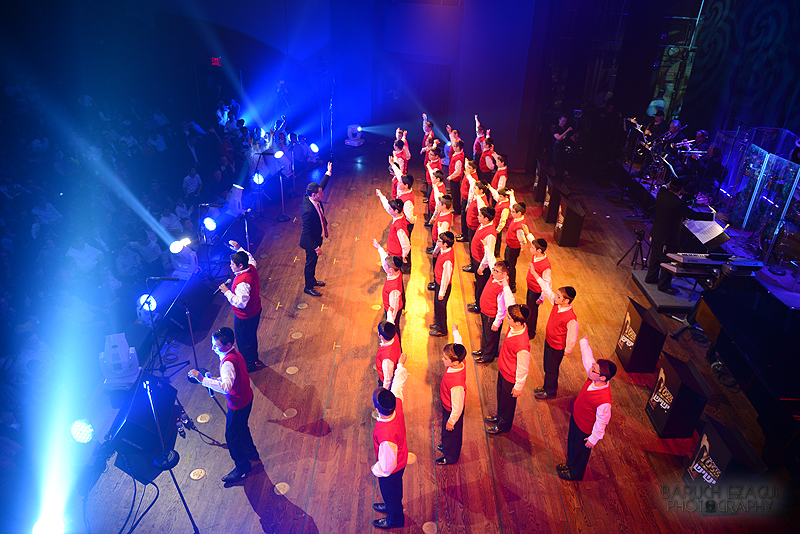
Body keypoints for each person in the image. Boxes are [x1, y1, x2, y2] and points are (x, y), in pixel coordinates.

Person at [188, 327, 259, 483]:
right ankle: (252, 453)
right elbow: (233, 378)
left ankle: (242, 466)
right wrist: (216, 379)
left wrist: (202, 379)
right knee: (242, 427)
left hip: (238, 404)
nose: (212, 348)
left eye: (216, 345)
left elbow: (226, 387)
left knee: (231, 437)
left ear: (227, 345)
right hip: (246, 397)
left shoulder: (227, 363)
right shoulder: (235, 354)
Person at [556, 337, 616, 481]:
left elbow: (602, 422)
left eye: (594, 369)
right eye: (593, 367)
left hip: (585, 429)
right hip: (576, 419)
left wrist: (593, 439)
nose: (590, 369)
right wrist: (584, 343)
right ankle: (569, 464)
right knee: (572, 444)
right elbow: (588, 358)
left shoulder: (605, 401)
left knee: (580, 452)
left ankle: (575, 473)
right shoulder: (593, 377)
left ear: (603, 378)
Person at [644, 177, 714, 294]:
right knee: (667, 261)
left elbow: (664, 186)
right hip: (667, 238)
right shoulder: (678, 204)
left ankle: (651, 277)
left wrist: (668, 184)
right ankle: (663, 286)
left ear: (670, 186)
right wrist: (714, 216)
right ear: (681, 189)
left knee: (655, 258)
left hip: (656, 233)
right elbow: (694, 215)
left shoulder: (661, 194)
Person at [372, 353, 409, 530]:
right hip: (401, 459)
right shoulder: (397, 404)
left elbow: (387, 466)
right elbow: (398, 385)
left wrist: (375, 469)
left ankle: (395, 519)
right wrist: (400, 366)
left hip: (392, 469)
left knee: (391, 492)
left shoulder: (386, 434)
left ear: (377, 409)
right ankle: (391, 506)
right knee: (394, 492)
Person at [485, 304, 531, 434]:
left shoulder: (522, 346)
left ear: (518, 322)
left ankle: (503, 426)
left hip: (510, 377)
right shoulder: (515, 327)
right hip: (503, 370)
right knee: (501, 397)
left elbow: (523, 367)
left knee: (507, 403)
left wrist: (518, 387)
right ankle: (499, 417)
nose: (506, 318)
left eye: (509, 318)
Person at [218, 242, 263, 372]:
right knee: (251, 336)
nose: (230, 266)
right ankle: (254, 359)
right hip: (255, 310)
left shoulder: (242, 283)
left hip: (245, 317)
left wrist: (226, 291)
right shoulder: (251, 267)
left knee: (244, 341)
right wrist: (238, 248)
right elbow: (250, 257)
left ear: (240, 266)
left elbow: (241, 303)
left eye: (232, 264)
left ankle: (249, 366)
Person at [532, 279, 579, 400]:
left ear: (566, 301)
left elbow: (572, 335)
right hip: (549, 341)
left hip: (557, 347)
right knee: (547, 366)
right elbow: (547, 290)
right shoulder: (556, 304)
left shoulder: (571, 318)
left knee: (552, 369)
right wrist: (536, 276)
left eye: (558, 296)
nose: (555, 297)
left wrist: (568, 349)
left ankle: (550, 391)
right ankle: (546, 386)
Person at [299, 162, 333, 296]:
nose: (323, 194)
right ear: (314, 195)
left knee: (313, 262)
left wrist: (328, 173)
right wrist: (316, 247)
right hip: (311, 242)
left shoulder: (311, 196)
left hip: (317, 236)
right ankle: (308, 287)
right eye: (320, 193)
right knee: (310, 263)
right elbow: (306, 231)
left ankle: (312, 280)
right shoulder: (307, 211)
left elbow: (321, 186)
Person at [473, 261, 515, 364]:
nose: (493, 272)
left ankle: (488, 356)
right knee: (486, 334)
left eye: (496, 271)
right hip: (485, 312)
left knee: (490, 337)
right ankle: (484, 350)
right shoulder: (494, 277)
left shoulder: (502, 288)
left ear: (504, 274)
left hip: (491, 316)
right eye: (494, 270)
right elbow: (491, 258)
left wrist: (497, 322)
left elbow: (502, 309)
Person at [437, 325, 466, 465]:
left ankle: (450, 456)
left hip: (452, 410)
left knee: (451, 433)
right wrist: (455, 331)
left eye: (445, 358)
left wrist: (451, 421)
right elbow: (459, 343)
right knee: (446, 432)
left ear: (454, 363)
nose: (442, 359)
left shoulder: (457, 385)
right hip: (447, 404)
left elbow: (458, 407)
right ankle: (446, 446)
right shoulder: (460, 360)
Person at [466, 206, 496, 313]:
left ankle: (479, 306)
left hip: (481, 263)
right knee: (478, 284)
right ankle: (477, 302)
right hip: (476, 259)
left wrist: (481, 267)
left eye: (480, 216)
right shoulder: (482, 225)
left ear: (486, 219)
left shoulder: (490, 235)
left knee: (481, 286)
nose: (477, 217)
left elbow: (489, 254)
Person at [429, 231, 455, 337]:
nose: (437, 242)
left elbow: (446, 277)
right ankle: (438, 324)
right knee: (437, 306)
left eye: (439, 241)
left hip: (442, 285)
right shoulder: (444, 250)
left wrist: (442, 293)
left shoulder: (448, 260)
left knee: (441, 308)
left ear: (445, 244)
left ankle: (442, 329)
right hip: (438, 282)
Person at [373, 239, 404, 326]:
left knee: (395, 328)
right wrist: (379, 248)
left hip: (392, 314)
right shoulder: (396, 272)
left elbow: (393, 307)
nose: (383, 265)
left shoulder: (394, 290)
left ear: (390, 270)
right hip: (390, 308)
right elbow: (385, 259)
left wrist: (390, 323)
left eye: (386, 266)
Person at [525, 238, 552, 338]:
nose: (530, 249)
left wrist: (542, 297)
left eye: (532, 248)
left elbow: (547, 284)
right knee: (529, 308)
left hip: (535, 291)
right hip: (530, 287)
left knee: (532, 312)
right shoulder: (536, 255)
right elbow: (532, 239)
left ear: (539, 250)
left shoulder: (546, 266)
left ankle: (530, 332)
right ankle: (527, 326)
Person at [503, 202, 530, 292]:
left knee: (510, 266)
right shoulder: (517, 218)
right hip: (510, 246)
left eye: (513, 212)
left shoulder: (519, 226)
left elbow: (523, 240)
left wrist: (521, 247)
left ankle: (512, 285)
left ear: (519, 213)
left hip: (513, 248)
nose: (512, 213)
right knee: (508, 264)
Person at [375, 321, 401, 389]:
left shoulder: (387, 359)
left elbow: (387, 379)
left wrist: (384, 390)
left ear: (381, 336)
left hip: (384, 376)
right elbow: (391, 319)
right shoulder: (394, 335)